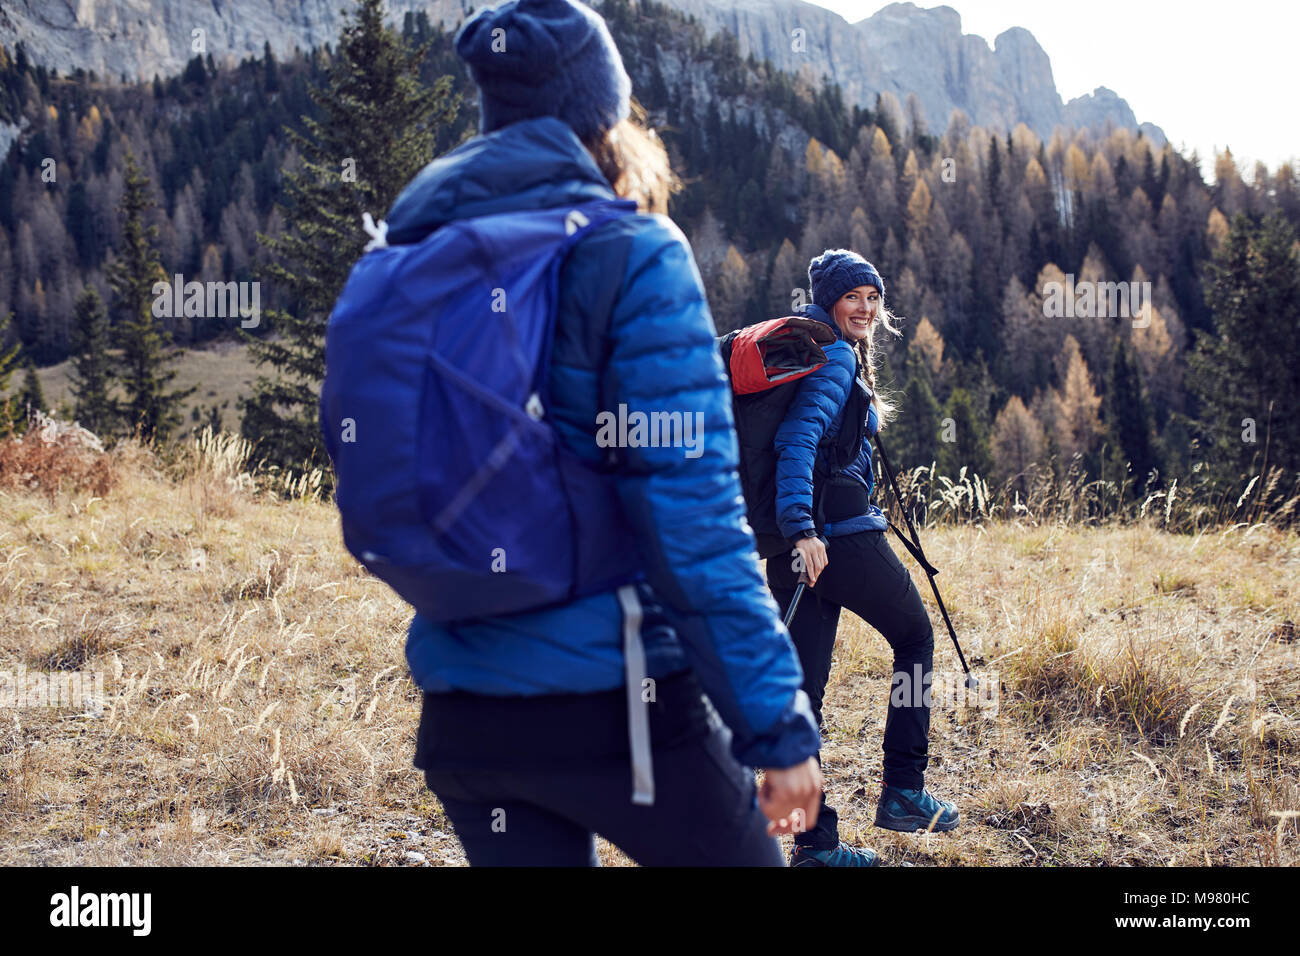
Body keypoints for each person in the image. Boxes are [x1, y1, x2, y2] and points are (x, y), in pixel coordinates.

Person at [391, 0, 821, 866]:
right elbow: (693, 523)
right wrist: (775, 724)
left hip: (466, 711)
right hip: (615, 704)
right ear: (605, 119)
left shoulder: (415, 253)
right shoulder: (634, 256)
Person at [764, 249, 960, 867]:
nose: (867, 309)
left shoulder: (819, 356)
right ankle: (904, 790)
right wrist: (803, 528)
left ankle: (813, 847)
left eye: (873, 298)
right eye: (854, 297)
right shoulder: (834, 360)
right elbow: (796, 441)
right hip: (834, 539)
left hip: (796, 549)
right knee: (915, 637)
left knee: (800, 695)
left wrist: (793, 535)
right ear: (828, 301)